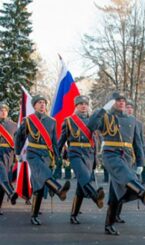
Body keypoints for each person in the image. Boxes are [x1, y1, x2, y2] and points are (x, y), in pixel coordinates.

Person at [87, 91, 145, 235]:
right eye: (118, 100)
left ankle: (109, 225)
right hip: (111, 154)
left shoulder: (132, 120)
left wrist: (140, 163)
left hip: (127, 157)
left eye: (123, 100)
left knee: (116, 194)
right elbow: (91, 125)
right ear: (112, 102)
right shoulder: (105, 116)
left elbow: (138, 143)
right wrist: (102, 109)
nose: (121, 102)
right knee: (125, 174)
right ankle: (142, 194)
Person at [15, 94, 70, 225]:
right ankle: (58, 189)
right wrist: (18, 152)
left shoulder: (52, 121)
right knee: (44, 173)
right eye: (39, 102)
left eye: (44, 103)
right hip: (33, 154)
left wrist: (57, 156)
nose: (42, 105)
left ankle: (34, 215)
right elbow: (19, 137)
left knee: (39, 186)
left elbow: (54, 142)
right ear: (34, 106)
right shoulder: (28, 120)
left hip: (46, 155)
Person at [58, 95, 105, 224]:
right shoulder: (69, 121)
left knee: (81, 186)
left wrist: (96, 159)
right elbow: (62, 139)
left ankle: (73, 215)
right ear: (76, 106)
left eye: (85, 104)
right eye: (81, 104)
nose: (84, 106)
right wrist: (55, 154)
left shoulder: (92, 121)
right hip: (75, 153)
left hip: (89, 155)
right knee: (84, 176)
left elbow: (95, 141)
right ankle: (95, 197)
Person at [0, 103, 18, 215]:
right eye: (1, 110)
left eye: (5, 110)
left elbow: (16, 142)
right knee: (2, 175)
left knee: (2, 180)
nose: (3, 112)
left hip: (8, 155)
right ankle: (11, 193)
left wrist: (17, 155)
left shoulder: (14, 125)